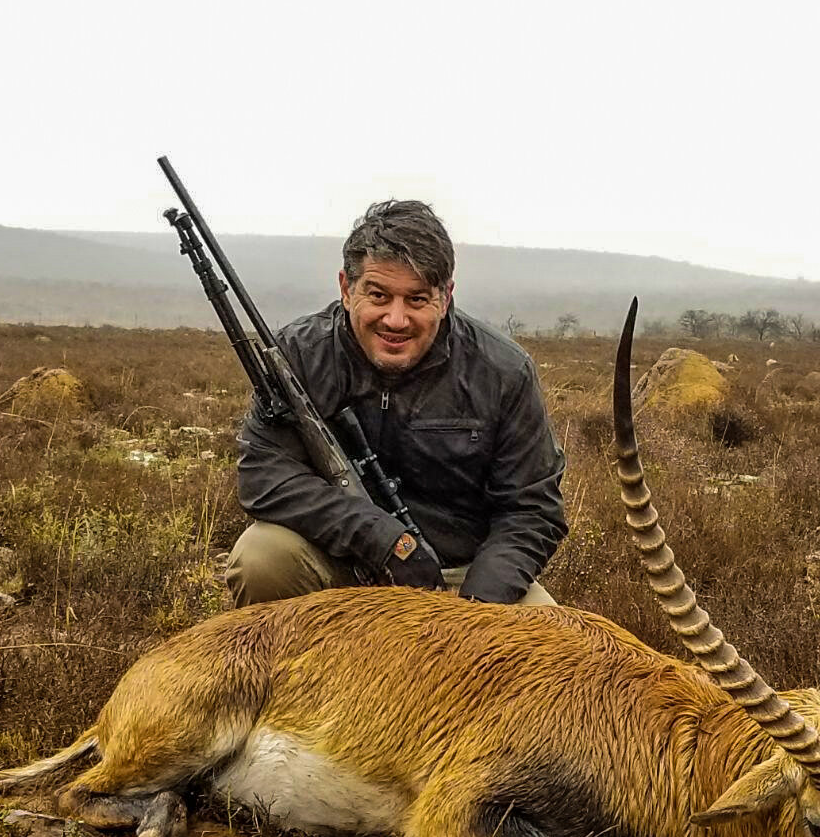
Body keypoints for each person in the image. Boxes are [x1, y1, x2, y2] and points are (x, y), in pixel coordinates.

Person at [227, 200, 566, 608]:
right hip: (340, 557)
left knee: (544, 626)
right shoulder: (296, 356)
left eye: (417, 299)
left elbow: (531, 511)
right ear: (346, 289)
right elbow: (265, 475)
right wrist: (384, 540)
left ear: (446, 297)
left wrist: (477, 610)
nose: (396, 319)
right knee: (261, 559)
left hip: (461, 577)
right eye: (379, 295)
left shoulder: (504, 371)